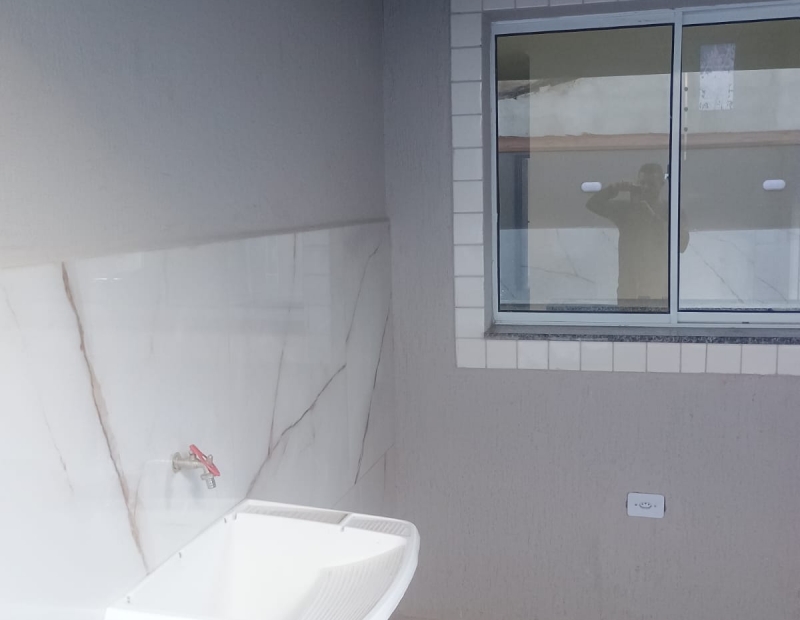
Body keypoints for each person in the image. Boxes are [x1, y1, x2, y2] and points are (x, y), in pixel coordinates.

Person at [586, 163, 689, 309]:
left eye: (651, 184)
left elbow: (682, 244)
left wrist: (653, 217)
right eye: (642, 183)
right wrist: (614, 189)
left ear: (662, 184)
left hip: (660, 294)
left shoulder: (672, 211)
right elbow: (593, 204)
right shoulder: (627, 210)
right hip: (629, 293)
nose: (646, 188)